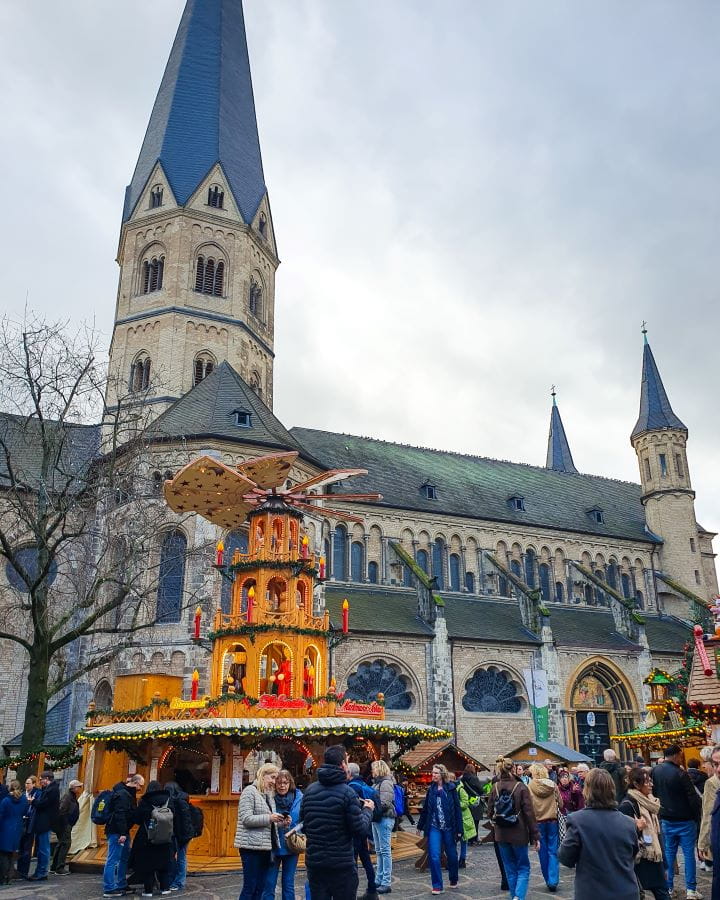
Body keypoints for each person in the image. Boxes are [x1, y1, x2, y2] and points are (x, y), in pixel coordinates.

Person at [300, 744, 374, 900]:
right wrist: (368, 810)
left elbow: (305, 825)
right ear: (342, 764)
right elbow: (359, 829)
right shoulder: (348, 793)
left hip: (316, 862)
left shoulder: (309, 792)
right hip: (341, 865)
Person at [558, 767, 639, 900]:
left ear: (587, 790)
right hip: (625, 891)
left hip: (593, 892)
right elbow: (633, 854)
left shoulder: (577, 821)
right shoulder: (629, 823)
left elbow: (566, 857)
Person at [651, 743, 702, 900]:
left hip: (666, 818)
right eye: (680, 755)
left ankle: (669, 888)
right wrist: (697, 817)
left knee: (669, 854)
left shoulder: (655, 771)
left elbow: (654, 792)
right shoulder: (681, 773)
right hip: (685, 819)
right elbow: (692, 798)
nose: (681, 758)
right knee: (688, 855)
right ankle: (691, 890)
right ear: (675, 755)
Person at [486, 757, 538, 900]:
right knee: (523, 867)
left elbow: (489, 812)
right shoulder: (521, 787)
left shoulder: (494, 787)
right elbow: (529, 813)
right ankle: (518, 897)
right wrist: (535, 836)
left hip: (501, 833)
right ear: (514, 769)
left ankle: (514, 896)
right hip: (519, 833)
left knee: (510, 868)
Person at [235, 763, 285, 900]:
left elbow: (268, 823)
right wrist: (270, 818)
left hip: (265, 848)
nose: (274, 782)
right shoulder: (249, 791)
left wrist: (281, 822)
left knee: (260, 887)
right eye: (272, 777)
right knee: (250, 887)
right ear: (263, 775)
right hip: (250, 848)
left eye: (276, 778)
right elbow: (246, 819)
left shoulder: (268, 795)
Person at [618, 767, 670, 900]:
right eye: (647, 782)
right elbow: (622, 835)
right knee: (656, 892)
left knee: (661, 890)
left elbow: (656, 833)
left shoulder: (650, 802)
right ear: (636, 784)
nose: (651, 785)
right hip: (642, 858)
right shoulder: (627, 804)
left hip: (654, 855)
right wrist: (636, 827)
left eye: (651, 781)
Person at [416, 763, 462, 895]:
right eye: (432, 773)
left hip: (449, 827)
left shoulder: (451, 788)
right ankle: (437, 885)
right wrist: (420, 825)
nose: (433, 775)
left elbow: (457, 810)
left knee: (452, 855)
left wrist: (459, 829)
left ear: (442, 774)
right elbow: (425, 810)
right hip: (434, 827)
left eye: (436, 773)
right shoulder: (431, 790)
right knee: (434, 855)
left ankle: (453, 878)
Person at [128, 780, 175, 897]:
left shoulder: (145, 801)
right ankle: (165, 888)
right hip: (166, 837)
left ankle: (148, 890)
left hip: (147, 837)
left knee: (148, 865)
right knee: (164, 863)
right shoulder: (169, 800)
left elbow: (137, 819)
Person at [102, 773, 145, 899]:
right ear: (136, 783)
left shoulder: (127, 794)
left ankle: (121, 883)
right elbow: (119, 814)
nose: (140, 789)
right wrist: (122, 833)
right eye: (140, 786)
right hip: (117, 832)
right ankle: (109, 888)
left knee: (124, 858)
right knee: (113, 860)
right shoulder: (122, 795)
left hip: (123, 831)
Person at [263, 770, 302, 900]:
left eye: (285, 783)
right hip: (273, 846)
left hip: (291, 846)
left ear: (290, 783)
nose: (282, 786)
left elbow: (304, 820)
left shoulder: (299, 798)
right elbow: (263, 820)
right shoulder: (268, 798)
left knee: (288, 884)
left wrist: (294, 827)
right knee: (269, 883)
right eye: (279, 783)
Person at [528, 763, 561, 892]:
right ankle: (553, 880)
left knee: (542, 851)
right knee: (553, 850)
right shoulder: (553, 785)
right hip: (552, 821)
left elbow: (528, 806)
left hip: (538, 821)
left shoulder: (530, 786)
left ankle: (548, 879)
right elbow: (561, 803)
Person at [347, 762, 378, 900]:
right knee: (366, 860)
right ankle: (372, 889)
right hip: (365, 825)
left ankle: (351, 893)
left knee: (353, 863)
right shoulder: (364, 784)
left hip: (356, 828)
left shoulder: (351, 787)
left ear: (349, 773)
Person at [29, 770, 60, 881]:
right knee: (42, 848)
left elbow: (43, 804)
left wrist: (33, 801)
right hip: (43, 822)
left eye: (41, 779)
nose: (40, 781)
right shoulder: (49, 789)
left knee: (43, 849)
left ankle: (42, 872)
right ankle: (39, 871)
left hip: (45, 823)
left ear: (46, 779)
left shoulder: (52, 790)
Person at [165, 780, 194, 893]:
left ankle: (179, 882)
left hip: (181, 834)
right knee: (179, 857)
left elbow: (184, 821)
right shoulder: (182, 799)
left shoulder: (178, 801)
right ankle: (176, 880)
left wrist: (184, 836)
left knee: (180, 858)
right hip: (181, 834)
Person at [371, 760, 395, 894]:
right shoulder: (378, 783)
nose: (372, 771)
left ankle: (386, 881)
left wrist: (371, 804)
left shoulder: (385, 783)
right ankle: (379, 879)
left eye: (373, 769)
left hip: (384, 818)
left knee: (385, 851)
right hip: (377, 818)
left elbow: (384, 802)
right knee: (379, 850)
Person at [51, 778, 83, 875]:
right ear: (73, 788)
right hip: (65, 825)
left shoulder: (71, 797)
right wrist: (66, 823)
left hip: (66, 824)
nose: (80, 788)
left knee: (61, 844)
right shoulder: (68, 797)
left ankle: (54, 866)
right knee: (65, 844)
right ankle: (59, 868)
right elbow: (62, 811)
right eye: (79, 787)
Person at [0, 780, 28, 885]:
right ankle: (9, 877)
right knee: (12, 854)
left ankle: (3, 877)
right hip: (17, 829)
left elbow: (1, 815)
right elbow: (25, 812)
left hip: (5, 829)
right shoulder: (24, 800)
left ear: (9, 788)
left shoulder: (6, 800)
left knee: (3, 854)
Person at [700, 744, 720, 871]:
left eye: (705, 762)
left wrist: (703, 843)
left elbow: (708, 814)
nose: (703, 765)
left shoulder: (712, 783)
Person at [16, 776, 39, 880]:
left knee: (26, 848)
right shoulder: (22, 794)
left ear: (34, 784)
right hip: (22, 822)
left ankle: (24, 872)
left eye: (28, 783)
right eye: (25, 783)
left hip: (30, 823)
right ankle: (19, 871)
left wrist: (32, 802)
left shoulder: (37, 793)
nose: (26, 785)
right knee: (20, 847)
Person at [456, 774, 480, 868]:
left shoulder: (460, 790)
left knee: (463, 840)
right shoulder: (450, 789)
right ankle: (454, 859)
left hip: (464, 818)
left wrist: (456, 805)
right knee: (454, 841)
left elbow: (465, 803)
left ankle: (462, 860)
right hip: (456, 818)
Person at [460, 765, 485, 844]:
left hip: (467, 801)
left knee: (468, 821)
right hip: (475, 802)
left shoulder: (462, 779)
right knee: (475, 821)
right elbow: (480, 790)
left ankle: (469, 838)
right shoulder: (474, 778)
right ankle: (474, 839)